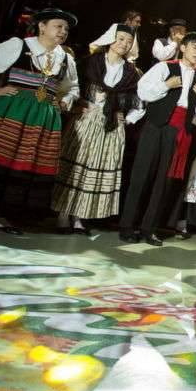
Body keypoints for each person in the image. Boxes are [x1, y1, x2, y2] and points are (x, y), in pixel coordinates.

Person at [0, 8, 80, 234]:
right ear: (42, 26)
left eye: (66, 29)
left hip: (42, 118)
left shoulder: (66, 58)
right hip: (12, 111)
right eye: (58, 26)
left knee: (23, 165)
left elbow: (72, 88)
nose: (63, 31)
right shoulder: (19, 45)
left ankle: (3, 216)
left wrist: (64, 101)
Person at [119, 32, 196, 246]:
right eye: (194, 47)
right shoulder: (164, 67)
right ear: (183, 48)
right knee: (142, 175)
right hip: (156, 126)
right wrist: (166, 86)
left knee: (164, 181)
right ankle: (127, 225)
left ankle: (148, 229)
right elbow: (142, 91)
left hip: (180, 130)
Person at [52, 23, 143, 234]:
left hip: (110, 127)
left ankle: (80, 217)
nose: (124, 44)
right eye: (120, 39)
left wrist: (127, 119)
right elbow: (71, 87)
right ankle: (63, 215)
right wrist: (76, 105)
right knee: (77, 165)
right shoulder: (91, 63)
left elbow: (140, 103)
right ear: (111, 39)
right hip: (86, 120)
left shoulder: (132, 73)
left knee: (97, 167)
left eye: (128, 41)